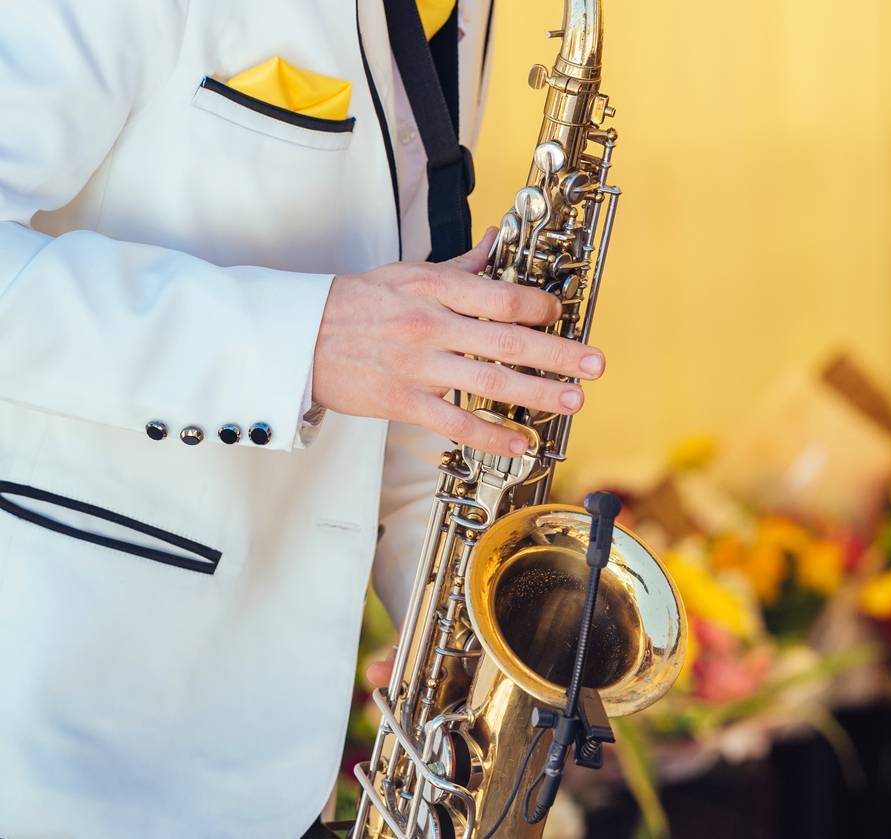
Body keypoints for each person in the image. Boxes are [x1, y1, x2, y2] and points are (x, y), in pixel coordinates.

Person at [0, 1, 604, 836]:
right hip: (67, 747)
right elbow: (341, 338)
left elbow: (393, 327)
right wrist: (303, 339)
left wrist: (482, 629)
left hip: (286, 771)